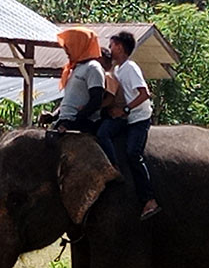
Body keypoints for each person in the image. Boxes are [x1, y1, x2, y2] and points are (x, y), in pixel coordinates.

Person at [96, 31, 160, 220]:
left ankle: (149, 200)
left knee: (133, 154)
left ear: (121, 47)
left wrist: (125, 109)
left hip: (138, 118)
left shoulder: (130, 67)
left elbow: (144, 94)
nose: (110, 49)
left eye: (112, 45)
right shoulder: (117, 70)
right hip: (126, 118)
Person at [53, 27, 105, 133]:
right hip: (65, 120)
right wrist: (54, 116)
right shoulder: (75, 68)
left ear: (79, 46)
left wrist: (75, 121)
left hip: (81, 123)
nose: (66, 51)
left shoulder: (93, 68)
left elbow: (96, 100)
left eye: (70, 46)